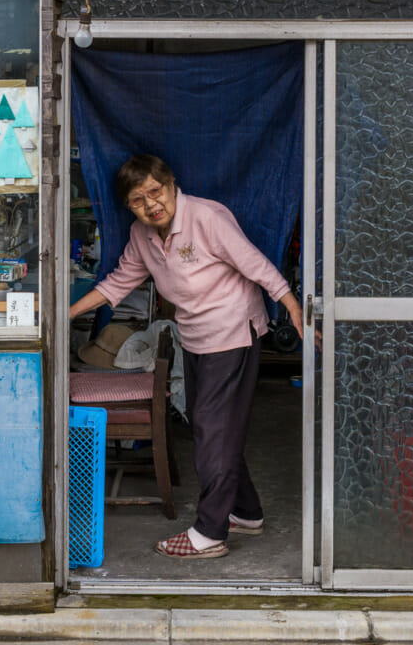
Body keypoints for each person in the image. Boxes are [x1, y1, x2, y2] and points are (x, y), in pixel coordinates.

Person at [69, 154, 304, 559]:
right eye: (138, 200)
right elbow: (117, 284)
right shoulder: (142, 236)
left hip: (233, 332)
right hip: (195, 337)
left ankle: (210, 531)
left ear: (172, 184)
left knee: (213, 428)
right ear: (129, 206)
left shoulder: (206, 218)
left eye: (155, 192)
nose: (151, 204)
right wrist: (63, 314)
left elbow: (256, 265)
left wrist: (294, 309)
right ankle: (246, 512)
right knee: (209, 426)